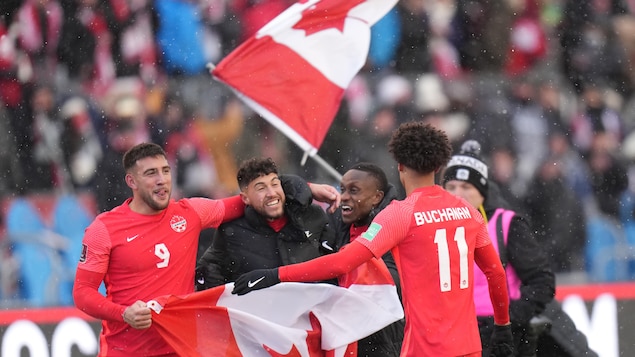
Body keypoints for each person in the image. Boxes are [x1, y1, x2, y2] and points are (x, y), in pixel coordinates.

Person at [232, 121, 514, 357]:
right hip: (468, 347)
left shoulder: (400, 215)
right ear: (439, 166)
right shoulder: (467, 211)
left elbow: (343, 262)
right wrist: (503, 326)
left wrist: (276, 274)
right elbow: (495, 272)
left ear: (400, 165)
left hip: (424, 349)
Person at [72, 142, 341, 356]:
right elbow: (82, 293)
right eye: (151, 173)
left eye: (166, 171)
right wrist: (123, 314)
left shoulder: (190, 213)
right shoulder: (103, 229)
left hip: (184, 346)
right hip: (127, 350)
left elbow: (254, 197)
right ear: (131, 181)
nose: (161, 180)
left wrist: (307, 188)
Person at [442, 140, 556, 357]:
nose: (458, 194)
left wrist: (510, 319)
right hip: (453, 334)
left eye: (466, 187)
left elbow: (542, 280)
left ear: (482, 192)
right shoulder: (434, 227)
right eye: (451, 186)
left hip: (500, 336)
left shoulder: (508, 224)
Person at [195, 157, 337, 289]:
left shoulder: (312, 216)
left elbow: (337, 263)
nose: (271, 193)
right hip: (262, 315)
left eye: (275, 184)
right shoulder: (231, 232)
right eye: (261, 188)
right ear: (245, 199)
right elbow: (209, 274)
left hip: (312, 312)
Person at [334, 162, 404, 356]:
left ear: (376, 197)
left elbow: (393, 281)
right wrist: (311, 188)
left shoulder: (394, 226)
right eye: (342, 189)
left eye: (353, 190)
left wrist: (350, 268)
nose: (344, 197)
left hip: (382, 342)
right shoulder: (335, 223)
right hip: (343, 340)